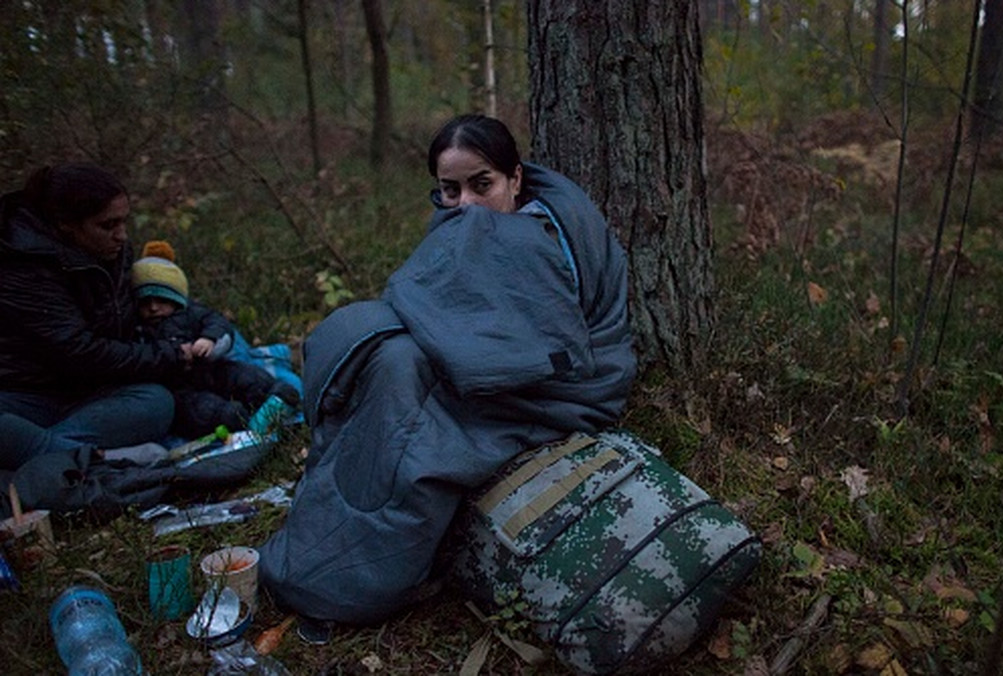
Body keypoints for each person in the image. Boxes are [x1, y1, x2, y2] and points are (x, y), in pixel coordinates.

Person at [259, 114, 637, 629]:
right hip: (484, 370)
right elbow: (445, 300)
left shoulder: (535, 235)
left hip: (558, 389)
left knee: (410, 404)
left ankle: (342, 582)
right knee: (387, 364)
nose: (467, 205)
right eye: (450, 190)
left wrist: (429, 336)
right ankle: (320, 552)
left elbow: (535, 347)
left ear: (516, 179)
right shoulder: (473, 221)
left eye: (483, 184)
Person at [0, 163, 188, 472]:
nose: (121, 235)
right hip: (25, 395)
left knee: (155, 403)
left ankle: (41, 455)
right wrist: (163, 357)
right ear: (66, 225)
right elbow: (77, 351)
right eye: (107, 225)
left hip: (91, 394)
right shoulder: (21, 264)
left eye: (123, 222)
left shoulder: (111, 252)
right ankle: (86, 459)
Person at [131, 241, 301, 439]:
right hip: (180, 388)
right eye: (145, 302)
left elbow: (217, 322)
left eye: (161, 300)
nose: (153, 308)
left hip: (212, 367)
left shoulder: (191, 312)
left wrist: (209, 340)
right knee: (202, 410)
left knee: (246, 376)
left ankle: (278, 397)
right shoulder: (137, 328)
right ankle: (238, 422)